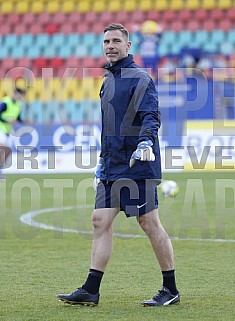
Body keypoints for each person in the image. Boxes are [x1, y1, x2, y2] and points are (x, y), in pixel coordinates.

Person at [57, 23, 180, 307]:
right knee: (99, 220)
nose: (110, 46)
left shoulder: (139, 78)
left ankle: (170, 288)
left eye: (115, 41)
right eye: (106, 42)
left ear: (128, 46)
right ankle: (91, 289)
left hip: (138, 162)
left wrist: (146, 143)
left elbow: (151, 115)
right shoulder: (108, 80)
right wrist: (101, 161)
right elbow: (107, 126)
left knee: (148, 222)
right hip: (112, 165)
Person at [0, 87, 26, 177]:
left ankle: (0, 168)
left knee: (8, 150)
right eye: (20, 95)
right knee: (2, 148)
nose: (21, 97)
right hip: (1, 128)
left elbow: (17, 118)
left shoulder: (18, 105)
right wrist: (6, 121)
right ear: (16, 94)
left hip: (8, 130)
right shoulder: (6, 102)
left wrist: (23, 121)